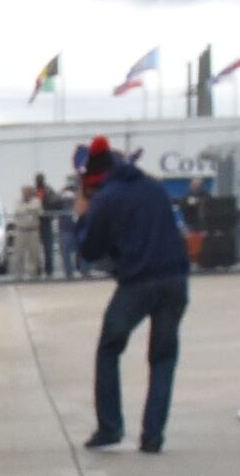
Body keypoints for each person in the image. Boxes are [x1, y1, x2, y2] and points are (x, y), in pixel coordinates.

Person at [75, 139, 190, 452]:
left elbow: (89, 249)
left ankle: (110, 428)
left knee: (109, 348)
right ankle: (153, 436)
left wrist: (83, 216)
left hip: (138, 282)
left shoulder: (107, 198)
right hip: (176, 278)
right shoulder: (153, 187)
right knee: (163, 357)